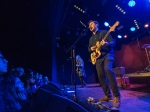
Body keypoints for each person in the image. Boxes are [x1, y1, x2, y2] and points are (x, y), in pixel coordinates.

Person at [88, 20, 120, 108]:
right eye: (89, 25)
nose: (89, 26)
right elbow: (89, 49)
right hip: (98, 58)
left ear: (96, 24)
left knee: (108, 69)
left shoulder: (104, 32)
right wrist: (91, 48)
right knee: (100, 76)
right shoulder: (91, 39)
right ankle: (107, 95)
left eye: (91, 24)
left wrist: (107, 44)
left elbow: (113, 43)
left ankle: (116, 96)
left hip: (107, 54)